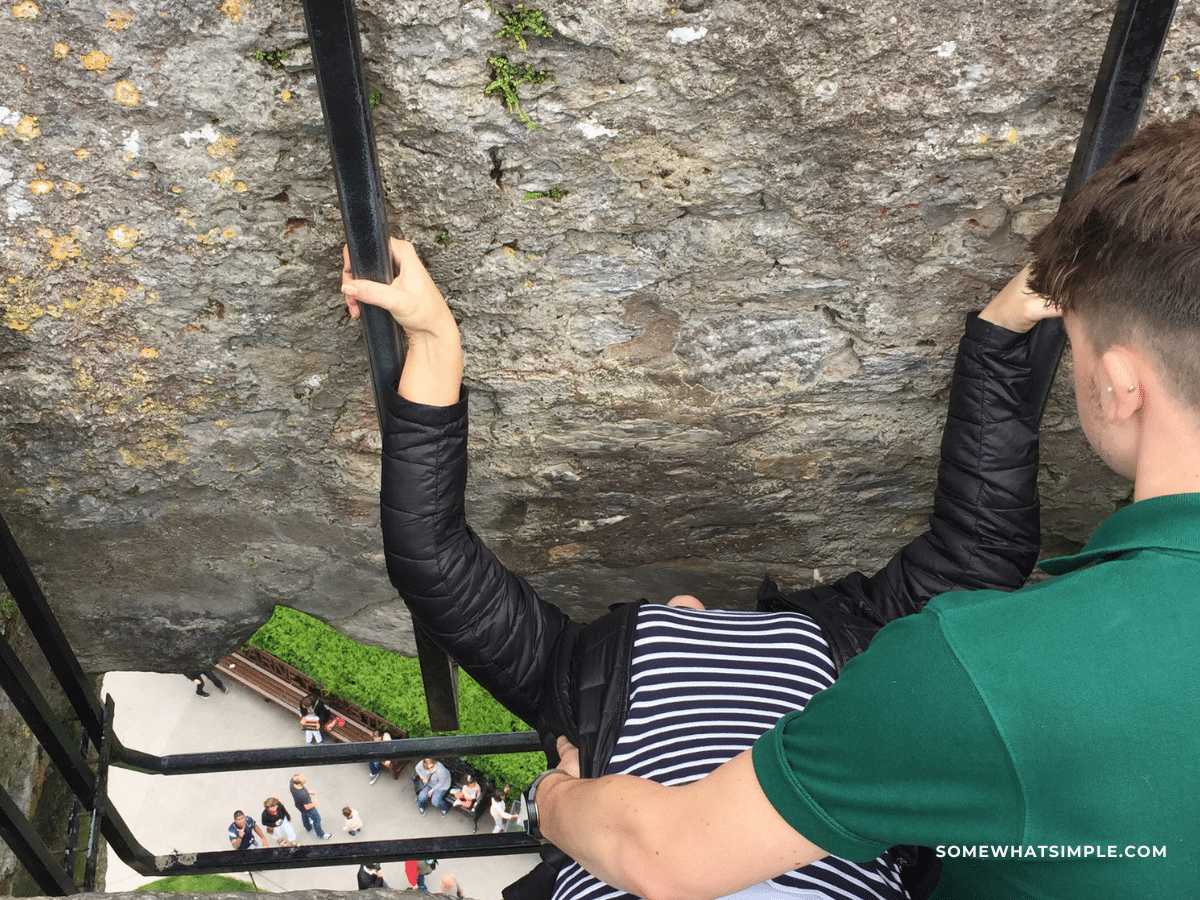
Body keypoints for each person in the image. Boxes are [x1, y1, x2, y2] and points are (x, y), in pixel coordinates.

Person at [508, 118, 1200, 898]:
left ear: (1118, 384)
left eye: (1071, 344)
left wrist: (555, 800)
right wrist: (998, 345)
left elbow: (663, 858)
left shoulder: (981, 672)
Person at [344, 212, 1049, 900]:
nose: (693, 603)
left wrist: (435, 343)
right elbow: (978, 553)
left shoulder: (577, 691)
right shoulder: (862, 659)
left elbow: (432, 560)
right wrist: (1001, 336)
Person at [288, 773, 331, 840]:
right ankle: (321, 834)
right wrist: (314, 803)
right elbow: (307, 807)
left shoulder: (292, 783)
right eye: (303, 780)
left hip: (299, 805)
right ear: (299, 783)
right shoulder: (303, 795)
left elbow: (301, 789)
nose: (304, 778)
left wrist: (308, 792)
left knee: (304, 814)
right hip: (308, 808)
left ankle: (308, 828)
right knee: (317, 819)